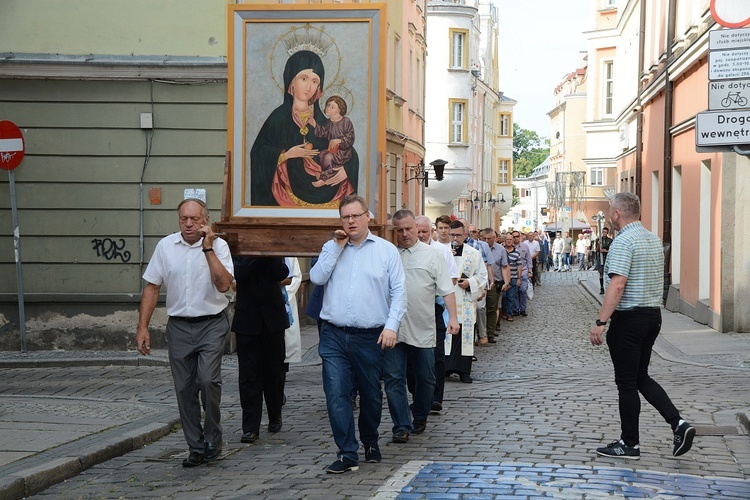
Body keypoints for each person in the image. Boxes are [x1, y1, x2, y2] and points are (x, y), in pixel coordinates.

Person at [590, 192, 695, 460]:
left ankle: (630, 444)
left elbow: (617, 284)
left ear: (616, 213)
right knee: (640, 377)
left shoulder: (624, 242)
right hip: (652, 317)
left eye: (610, 211)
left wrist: (600, 322)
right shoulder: (652, 239)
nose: (610, 216)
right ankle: (678, 423)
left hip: (629, 320)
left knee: (626, 383)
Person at [310, 194, 406, 474]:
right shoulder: (331, 247)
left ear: (368, 217)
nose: (350, 221)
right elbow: (316, 278)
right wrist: (337, 249)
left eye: (355, 215)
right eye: (345, 217)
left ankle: (370, 440)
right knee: (336, 393)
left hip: (371, 335)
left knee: (371, 394)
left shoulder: (386, 250)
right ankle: (347, 452)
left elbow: (399, 291)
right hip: (333, 334)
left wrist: (391, 326)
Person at [136, 198, 234, 468]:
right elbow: (152, 287)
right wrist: (143, 327)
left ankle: (213, 437)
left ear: (205, 220)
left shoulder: (219, 246)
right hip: (179, 326)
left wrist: (208, 249)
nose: (189, 224)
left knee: (207, 380)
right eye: (184, 219)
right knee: (184, 388)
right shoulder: (166, 247)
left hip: (212, 323)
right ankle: (196, 445)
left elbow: (225, 285)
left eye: (195, 219)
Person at [384, 210, 459, 443]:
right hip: (393, 329)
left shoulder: (432, 255)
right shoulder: (388, 254)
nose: (405, 234)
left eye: (409, 229)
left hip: (423, 327)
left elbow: (447, 289)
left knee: (426, 378)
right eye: (400, 230)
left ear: (417, 229)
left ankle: (419, 416)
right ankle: (401, 426)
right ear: (394, 231)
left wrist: (453, 319)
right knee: (394, 378)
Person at [250, 50, 358, 207]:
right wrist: (286, 155)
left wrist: (347, 170)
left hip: (329, 191)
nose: (309, 87)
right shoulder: (278, 118)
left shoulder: (324, 121)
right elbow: (258, 153)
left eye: (315, 81)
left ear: (319, 87)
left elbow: (349, 150)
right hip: (288, 192)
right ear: (291, 82)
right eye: (304, 78)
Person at [231, 257, 290, 444]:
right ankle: (250, 427)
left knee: (274, 371)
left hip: (273, 316)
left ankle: (275, 415)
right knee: (248, 375)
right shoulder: (239, 248)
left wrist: (267, 253)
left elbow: (282, 272)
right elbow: (239, 273)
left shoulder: (272, 247)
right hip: (247, 317)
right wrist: (255, 254)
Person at [415, 215, 458, 412]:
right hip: (413, 310)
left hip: (434, 307)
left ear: (430, 231)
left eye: (424, 231)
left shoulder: (440, 251)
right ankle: (419, 395)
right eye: (418, 231)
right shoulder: (404, 251)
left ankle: (435, 397)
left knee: (437, 354)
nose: (421, 235)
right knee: (414, 357)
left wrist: (452, 315)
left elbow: (452, 280)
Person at [444, 220, 487, 384]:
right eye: (452, 235)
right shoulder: (442, 253)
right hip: (446, 299)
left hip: (465, 298)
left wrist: (470, 283)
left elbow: (482, 276)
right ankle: (445, 368)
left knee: (464, 336)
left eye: (458, 235)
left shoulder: (473, 254)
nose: (455, 238)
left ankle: (463, 371)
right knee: (446, 334)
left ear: (465, 235)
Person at [309, 95, 355, 186]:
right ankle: (326, 173)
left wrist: (340, 141)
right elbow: (323, 133)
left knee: (328, 157)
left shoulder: (346, 121)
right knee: (322, 155)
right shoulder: (329, 122)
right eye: (328, 105)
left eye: (332, 107)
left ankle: (324, 179)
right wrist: (315, 125)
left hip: (343, 152)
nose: (328, 108)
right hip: (333, 150)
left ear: (339, 110)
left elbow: (350, 138)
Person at [596, 227, 613, 294]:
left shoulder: (610, 240)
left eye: (606, 232)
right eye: (603, 232)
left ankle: (609, 287)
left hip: (607, 257)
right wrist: (598, 245)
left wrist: (606, 251)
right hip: (600, 257)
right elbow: (596, 250)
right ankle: (602, 287)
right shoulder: (598, 239)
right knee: (601, 273)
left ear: (607, 233)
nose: (604, 233)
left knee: (609, 273)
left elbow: (612, 250)